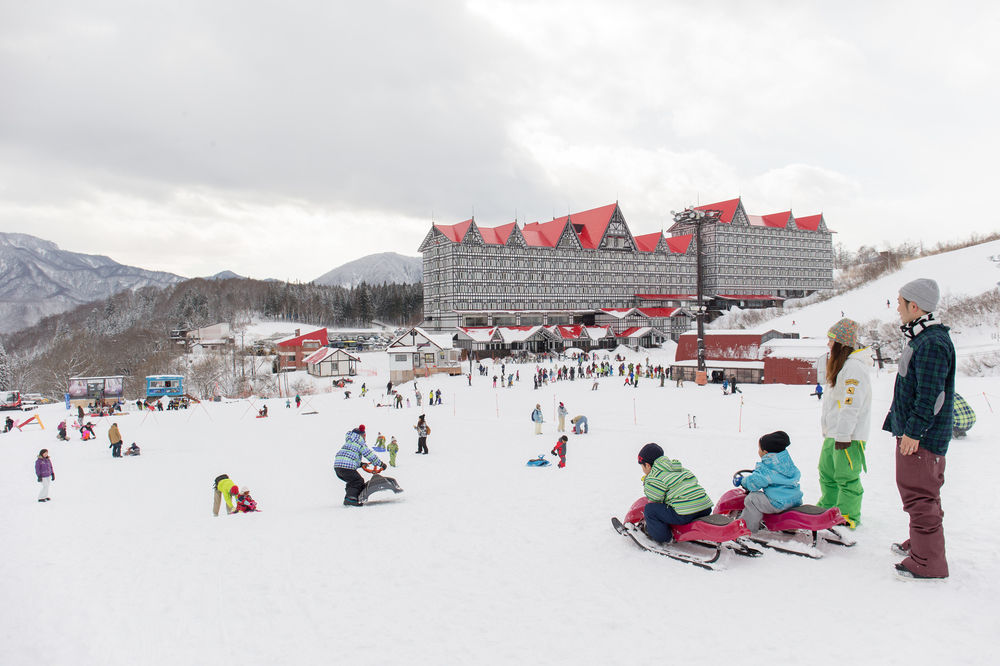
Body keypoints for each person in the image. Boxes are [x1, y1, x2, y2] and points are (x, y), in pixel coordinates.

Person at [883, 278, 955, 581]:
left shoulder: (932, 343)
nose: (897, 308)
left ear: (915, 306)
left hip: (922, 437)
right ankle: (922, 541)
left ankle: (927, 562)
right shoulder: (922, 338)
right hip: (918, 434)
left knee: (919, 495)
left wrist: (913, 433)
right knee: (923, 493)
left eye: (900, 303)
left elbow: (930, 396)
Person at [817, 318, 872, 529]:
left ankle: (848, 515)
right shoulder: (842, 367)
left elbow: (851, 405)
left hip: (848, 437)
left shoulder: (854, 368)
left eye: (831, 340)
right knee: (827, 472)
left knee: (846, 476)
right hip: (834, 433)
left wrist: (843, 435)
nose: (828, 344)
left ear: (842, 343)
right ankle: (829, 507)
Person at [636, 443, 713, 543]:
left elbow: (654, 498)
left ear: (647, 465)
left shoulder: (654, 476)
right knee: (673, 505)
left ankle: (664, 537)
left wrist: (647, 483)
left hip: (686, 513)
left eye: (642, 466)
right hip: (705, 508)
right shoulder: (678, 468)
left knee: (650, 510)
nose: (643, 469)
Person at [734, 431, 803, 532]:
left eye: (759, 449)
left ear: (765, 452)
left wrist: (743, 481)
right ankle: (789, 527)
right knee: (763, 497)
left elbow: (754, 483)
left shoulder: (766, 467)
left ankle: (746, 529)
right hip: (795, 500)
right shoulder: (787, 463)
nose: (758, 451)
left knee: (752, 499)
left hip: (778, 503)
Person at [334, 425, 385, 507]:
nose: (365, 438)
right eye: (364, 435)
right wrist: (380, 464)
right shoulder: (360, 443)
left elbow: (349, 457)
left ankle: (351, 497)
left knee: (352, 481)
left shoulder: (349, 442)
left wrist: (361, 464)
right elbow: (369, 454)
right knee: (358, 481)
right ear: (362, 435)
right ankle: (350, 499)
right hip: (346, 467)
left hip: (338, 467)